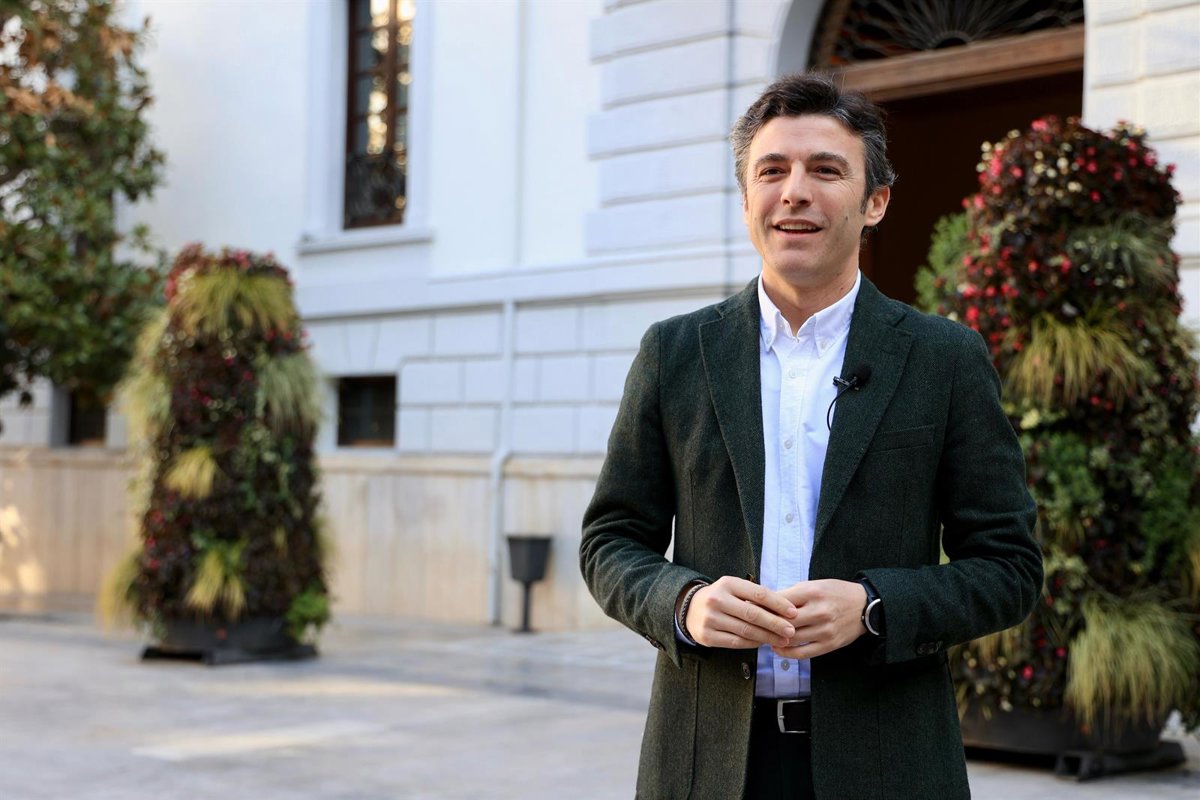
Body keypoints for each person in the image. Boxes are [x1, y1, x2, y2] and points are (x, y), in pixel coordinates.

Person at [578, 72, 1043, 800]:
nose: (794, 191)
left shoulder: (943, 359)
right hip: (704, 766)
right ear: (746, 199)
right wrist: (683, 603)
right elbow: (610, 541)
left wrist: (876, 607)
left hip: (889, 768)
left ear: (875, 202)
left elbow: (1010, 567)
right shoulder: (674, 354)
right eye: (772, 171)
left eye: (826, 170)